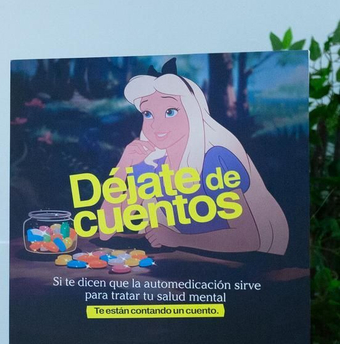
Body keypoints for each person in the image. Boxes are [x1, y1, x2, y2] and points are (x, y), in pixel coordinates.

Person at [99, 60, 289, 255]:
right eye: (148, 114)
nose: (156, 125)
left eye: (170, 112)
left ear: (192, 113)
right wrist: (124, 165)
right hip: (182, 269)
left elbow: (249, 239)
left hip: (237, 271)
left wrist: (177, 239)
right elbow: (106, 231)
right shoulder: (149, 166)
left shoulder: (215, 160)